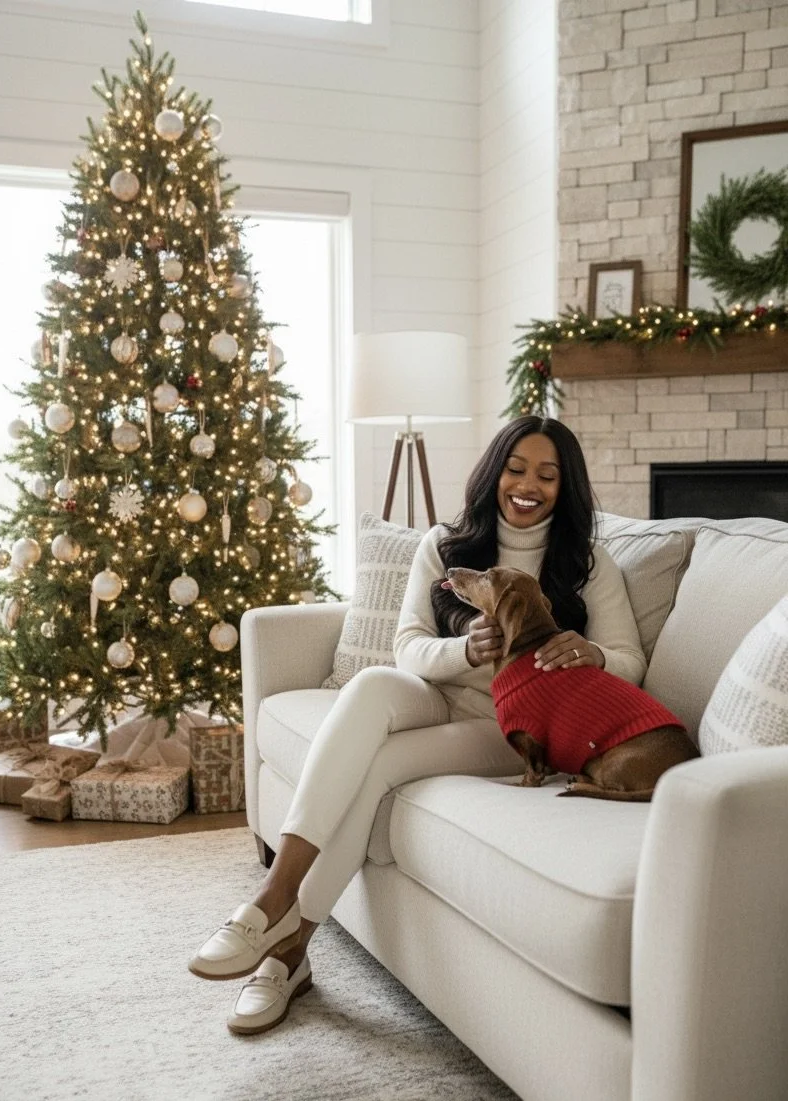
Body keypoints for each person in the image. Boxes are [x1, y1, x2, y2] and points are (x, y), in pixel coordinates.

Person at [189, 415, 646, 1035]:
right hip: (436, 692)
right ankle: (274, 898)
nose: (528, 485)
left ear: (567, 487)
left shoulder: (588, 564)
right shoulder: (447, 546)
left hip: (506, 726)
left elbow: (629, 662)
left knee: (376, 770)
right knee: (373, 684)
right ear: (495, 473)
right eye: (516, 469)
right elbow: (406, 647)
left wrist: (592, 654)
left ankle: (286, 952)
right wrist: (466, 652)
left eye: (548, 474)